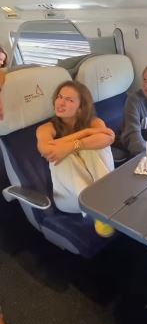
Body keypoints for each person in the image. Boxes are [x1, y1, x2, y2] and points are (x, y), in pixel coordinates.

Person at [36, 80, 115, 224]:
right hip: (69, 199)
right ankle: (96, 210)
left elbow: (108, 138)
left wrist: (73, 144)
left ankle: (106, 200)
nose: (60, 103)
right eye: (59, 97)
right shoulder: (46, 128)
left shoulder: (94, 122)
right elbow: (46, 150)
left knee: (92, 147)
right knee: (63, 156)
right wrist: (86, 133)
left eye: (69, 100)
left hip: (100, 190)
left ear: (80, 108)